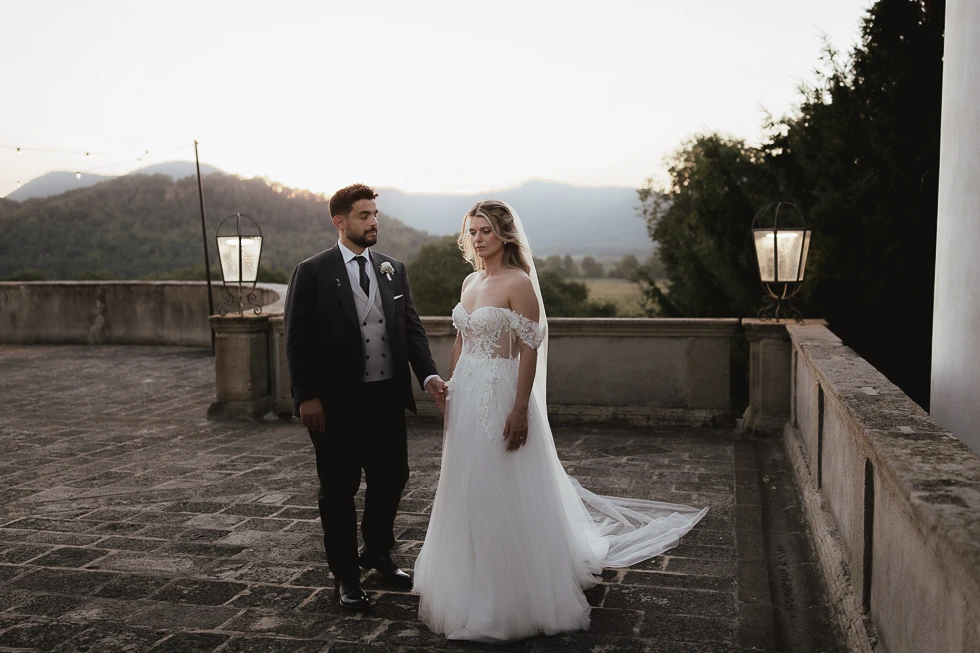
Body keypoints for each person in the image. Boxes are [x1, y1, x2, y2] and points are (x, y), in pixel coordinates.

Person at [413, 200, 707, 641]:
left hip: (501, 394)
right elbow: (462, 339)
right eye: (472, 231)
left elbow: (529, 349)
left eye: (486, 231)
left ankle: (507, 596)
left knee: (496, 485)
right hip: (467, 396)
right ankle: (465, 580)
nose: (477, 239)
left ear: (504, 236)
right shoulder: (470, 281)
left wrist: (519, 409)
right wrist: (451, 388)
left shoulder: (519, 283)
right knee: (466, 486)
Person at [284, 183, 447, 611]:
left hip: (386, 400)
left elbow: (411, 329)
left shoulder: (393, 268)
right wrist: (306, 396)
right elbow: (297, 339)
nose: (373, 222)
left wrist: (428, 375)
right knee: (338, 490)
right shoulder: (312, 271)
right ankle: (345, 576)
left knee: (392, 478)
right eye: (364, 215)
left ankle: (376, 552)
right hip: (335, 404)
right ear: (339, 222)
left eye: (375, 214)